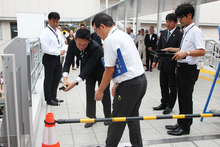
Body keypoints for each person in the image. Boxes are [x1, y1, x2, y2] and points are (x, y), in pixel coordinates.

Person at [92, 13, 147, 147]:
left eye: (96, 30)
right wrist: (117, 83)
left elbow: (109, 70)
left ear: (102, 26)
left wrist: (100, 90)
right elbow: (125, 62)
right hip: (140, 81)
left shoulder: (110, 40)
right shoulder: (123, 35)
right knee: (133, 118)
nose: (97, 34)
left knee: (117, 119)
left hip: (129, 86)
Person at [163, 3, 205, 136]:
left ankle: (185, 127)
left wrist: (185, 53)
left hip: (189, 69)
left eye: (181, 17)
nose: (179, 20)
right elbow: (183, 50)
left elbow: (201, 51)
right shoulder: (186, 31)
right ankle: (181, 122)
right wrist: (172, 50)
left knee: (186, 98)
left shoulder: (196, 31)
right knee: (181, 97)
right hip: (181, 68)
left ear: (189, 15)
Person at [62, 28, 111, 128]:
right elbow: (67, 61)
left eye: (84, 45)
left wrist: (75, 83)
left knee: (104, 92)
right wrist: (65, 77)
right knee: (89, 91)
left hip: (101, 71)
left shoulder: (95, 47)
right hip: (87, 71)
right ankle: (92, 117)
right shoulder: (72, 44)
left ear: (89, 40)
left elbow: (90, 66)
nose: (81, 47)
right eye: (79, 44)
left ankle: (108, 117)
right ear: (75, 39)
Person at [152, 13, 183, 115]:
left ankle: (170, 106)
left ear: (176, 22)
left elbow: (181, 51)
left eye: (170, 21)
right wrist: (155, 61)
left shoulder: (180, 35)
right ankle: (164, 103)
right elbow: (159, 48)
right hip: (163, 64)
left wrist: (177, 66)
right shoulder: (164, 33)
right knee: (163, 85)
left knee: (173, 87)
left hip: (173, 64)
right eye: (166, 21)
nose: (168, 23)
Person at [40, 12, 65, 106]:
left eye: (57, 21)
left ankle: (54, 96)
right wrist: (58, 52)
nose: (55, 23)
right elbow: (45, 48)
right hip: (49, 57)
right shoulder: (45, 32)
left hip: (57, 57)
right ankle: (49, 99)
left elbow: (62, 41)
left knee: (57, 77)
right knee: (49, 79)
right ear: (49, 20)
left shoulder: (57, 31)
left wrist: (62, 50)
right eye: (54, 21)